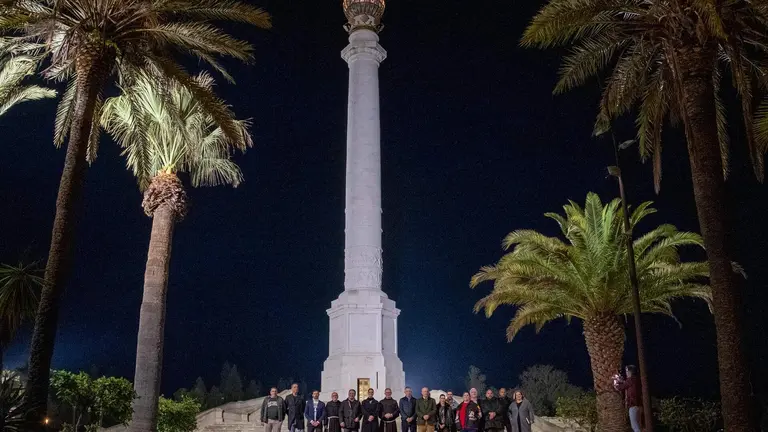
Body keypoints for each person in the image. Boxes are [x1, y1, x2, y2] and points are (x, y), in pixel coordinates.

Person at [614, 365, 642, 432]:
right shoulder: (636, 379)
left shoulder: (630, 379)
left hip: (633, 406)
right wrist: (622, 381)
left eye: (627, 371)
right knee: (638, 426)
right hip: (639, 406)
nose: (626, 373)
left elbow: (619, 388)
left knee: (635, 427)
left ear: (630, 372)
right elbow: (627, 384)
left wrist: (615, 381)